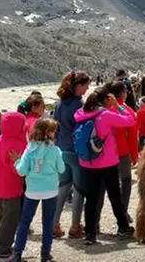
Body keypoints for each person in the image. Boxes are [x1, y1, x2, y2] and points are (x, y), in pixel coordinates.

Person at [73, 87, 136, 245]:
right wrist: (119, 106)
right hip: (107, 163)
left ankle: (90, 233)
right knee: (115, 196)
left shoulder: (81, 114)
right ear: (106, 100)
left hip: (87, 162)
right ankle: (123, 227)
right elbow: (131, 120)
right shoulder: (106, 115)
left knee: (91, 199)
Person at [8, 118, 65, 262]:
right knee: (48, 222)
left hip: (32, 190)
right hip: (50, 190)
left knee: (25, 221)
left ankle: (17, 253)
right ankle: (45, 254)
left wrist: (16, 161)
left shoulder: (30, 148)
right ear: (49, 133)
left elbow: (21, 171)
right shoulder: (55, 150)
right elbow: (61, 169)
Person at [52, 71, 90, 239]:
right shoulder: (78, 104)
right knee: (79, 190)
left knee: (63, 187)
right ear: (78, 86)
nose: (87, 88)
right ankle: (75, 226)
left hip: (62, 149)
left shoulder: (59, 104)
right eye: (85, 85)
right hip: (76, 152)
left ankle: (54, 224)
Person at [0, 111, 27, 260]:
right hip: (11, 185)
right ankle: (0, 247)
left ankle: (1, 242)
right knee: (11, 217)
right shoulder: (17, 143)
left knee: (1, 215)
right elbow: (18, 169)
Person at [105, 81, 138, 224]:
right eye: (125, 91)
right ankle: (122, 213)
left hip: (106, 153)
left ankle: (96, 223)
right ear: (122, 93)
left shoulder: (105, 109)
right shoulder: (127, 111)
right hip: (123, 152)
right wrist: (134, 154)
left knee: (107, 185)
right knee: (125, 181)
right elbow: (132, 137)